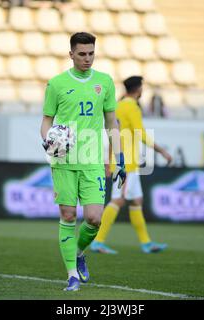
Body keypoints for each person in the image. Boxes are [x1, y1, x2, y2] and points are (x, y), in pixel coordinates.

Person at [40, 32, 126, 292]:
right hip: (64, 161)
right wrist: (48, 141)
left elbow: (112, 122)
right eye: (82, 54)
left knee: (94, 219)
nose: (87, 58)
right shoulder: (56, 84)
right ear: (71, 55)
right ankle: (72, 277)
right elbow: (47, 121)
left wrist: (120, 159)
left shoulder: (105, 82)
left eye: (91, 54)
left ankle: (78, 253)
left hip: (92, 162)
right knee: (67, 215)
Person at [90, 76, 173, 255]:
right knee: (118, 200)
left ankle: (146, 243)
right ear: (138, 89)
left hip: (124, 162)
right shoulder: (132, 106)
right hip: (127, 163)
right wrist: (162, 151)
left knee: (136, 201)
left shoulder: (118, 106)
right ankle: (97, 241)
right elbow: (141, 133)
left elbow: (113, 134)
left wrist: (109, 159)